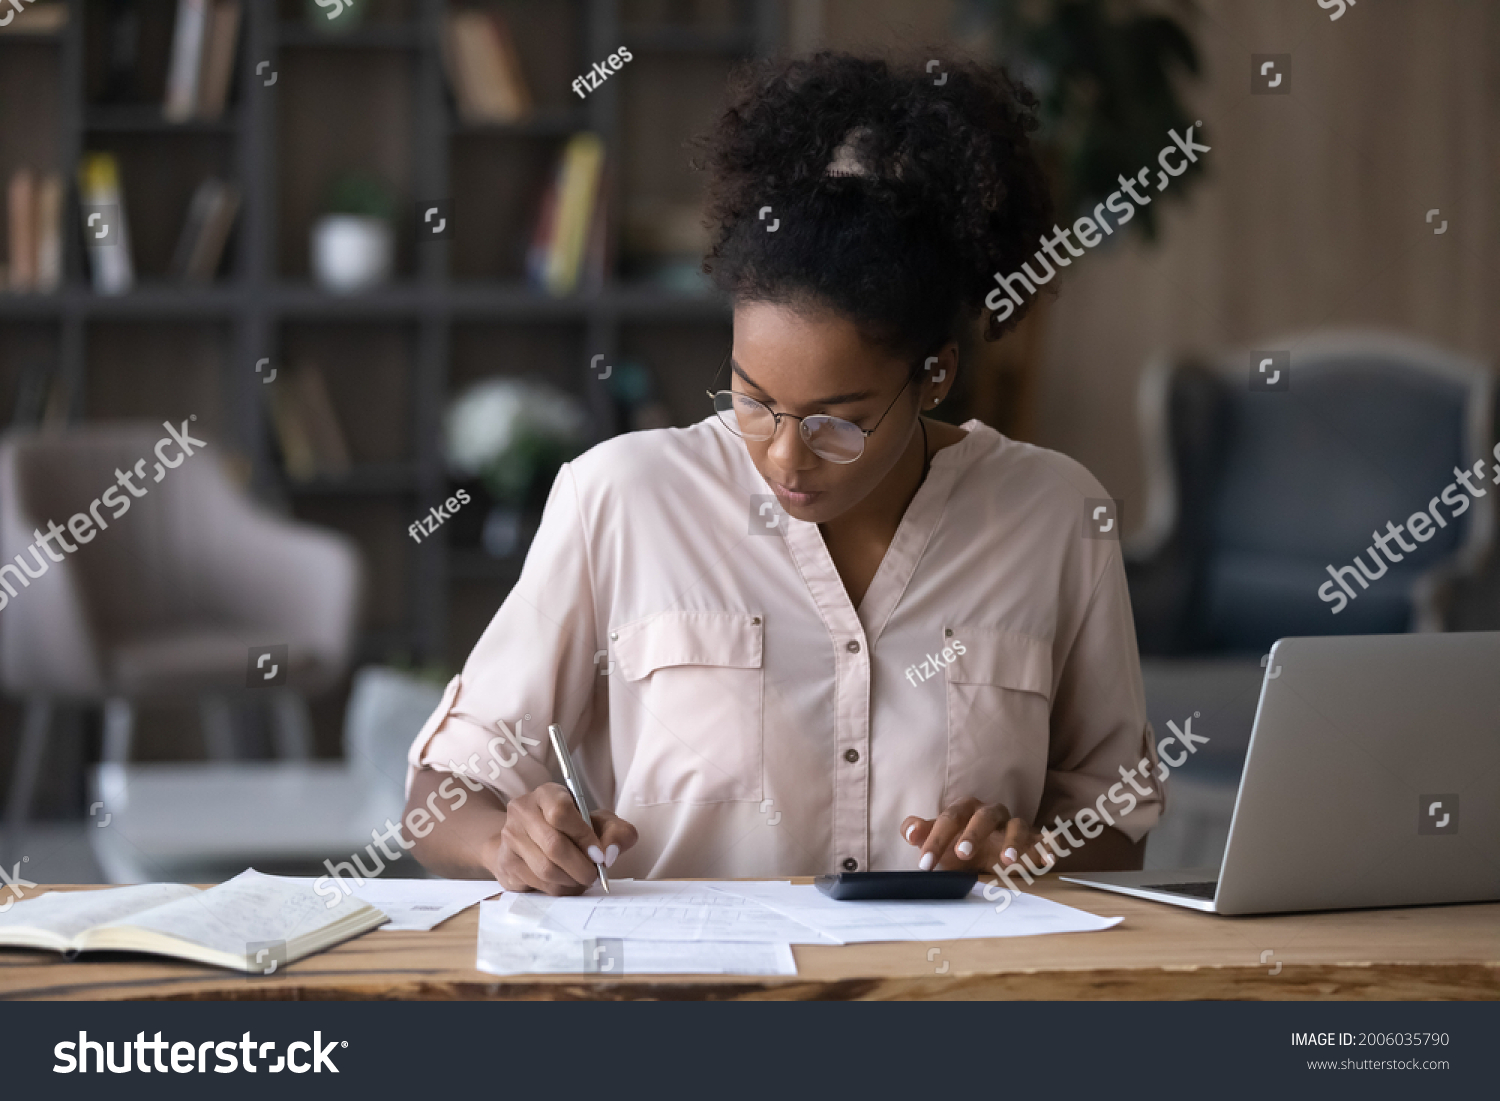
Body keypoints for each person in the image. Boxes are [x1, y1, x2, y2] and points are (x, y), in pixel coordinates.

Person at [404, 51, 1165, 895]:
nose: (784, 455)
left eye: (837, 420)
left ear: (936, 373)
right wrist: (507, 839)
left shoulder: (1057, 516)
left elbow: (1118, 826)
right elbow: (440, 793)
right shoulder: (620, 497)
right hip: (687, 1007)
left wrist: (1026, 849)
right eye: (754, 400)